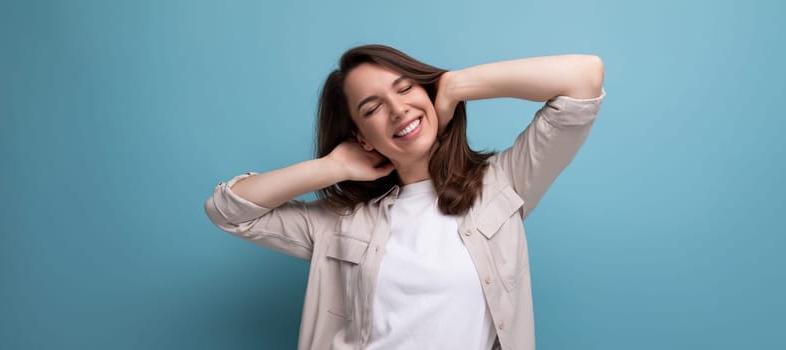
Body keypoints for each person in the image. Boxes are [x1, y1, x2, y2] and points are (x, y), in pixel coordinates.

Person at [204, 44, 606, 350]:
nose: (397, 110)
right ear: (362, 135)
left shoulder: (504, 182)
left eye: (405, 88)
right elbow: (229, 211)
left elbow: (584, 78)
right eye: (372, 107)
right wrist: (333, 167)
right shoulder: (341, 222)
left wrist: (455, 85)